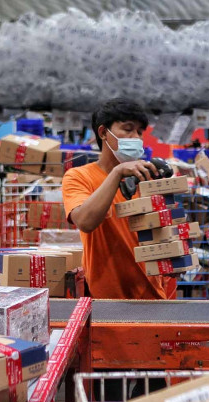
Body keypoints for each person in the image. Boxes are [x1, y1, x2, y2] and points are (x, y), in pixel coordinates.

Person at [62, 98, 176, 300]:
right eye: (128, 129)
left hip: (152, 298)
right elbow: (85, 221)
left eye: (140, 132)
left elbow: (165, 233)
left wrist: (174, 259)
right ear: (103, 132)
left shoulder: (148, 179)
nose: (136, 137)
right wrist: (117, 173)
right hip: (105, 301)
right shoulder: (79, 177)